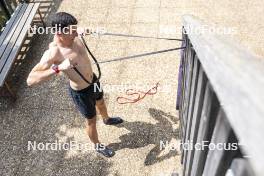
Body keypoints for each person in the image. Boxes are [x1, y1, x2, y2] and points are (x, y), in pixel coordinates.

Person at [26, 12, 123, 157]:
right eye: (71, 30)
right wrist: (57, 68)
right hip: (81, 93)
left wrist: (90, 30)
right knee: (91, 121)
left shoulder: (73, 35)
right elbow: (30, 80)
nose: (75, 32)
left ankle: (107, 119)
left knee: (101, 102)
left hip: (94, 81)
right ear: (59, 33)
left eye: (75, 28)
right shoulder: (54, 53)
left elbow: (80, 31)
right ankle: (97, 146)